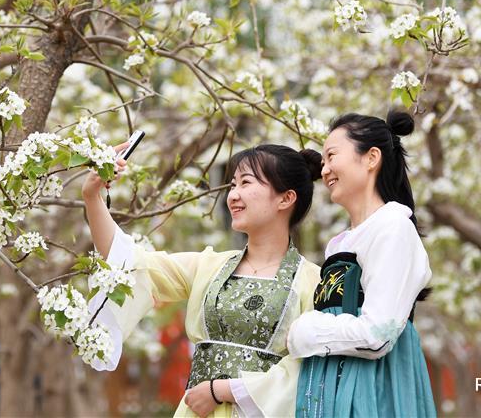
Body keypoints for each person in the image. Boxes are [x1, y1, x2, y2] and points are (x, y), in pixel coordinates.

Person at [84, 144, 322, 417]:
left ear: (285, 198)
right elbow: (127, 262)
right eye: (233, 185)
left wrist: (223, 390)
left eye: (246, 183)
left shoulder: (312, 282)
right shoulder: (210, 266)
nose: (233, 195)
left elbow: (306, 373)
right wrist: (92, 197)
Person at [287, 110, 437, 417]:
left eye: (332, 156)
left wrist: (304, 331)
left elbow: (377, 335)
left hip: (375, 390)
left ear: (371, 158)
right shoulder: (341, 243)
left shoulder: (393, 227)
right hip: (330, 391)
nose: (325, 170)